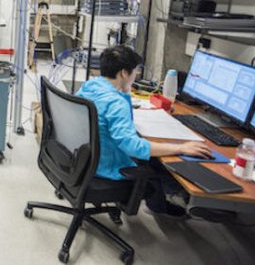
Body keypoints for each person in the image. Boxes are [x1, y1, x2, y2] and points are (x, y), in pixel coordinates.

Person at [76, 45, 212, 217]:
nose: (136, 75)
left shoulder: (90, 86)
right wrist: (181, 147)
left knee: (154, 154)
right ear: (124, 73)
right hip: (106, 168)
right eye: (135, 71)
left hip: (84, 158)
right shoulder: (115, 103)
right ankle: (168, 203)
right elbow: (132, 146)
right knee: (158, 163)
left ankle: (171, 198)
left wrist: (125, 92)